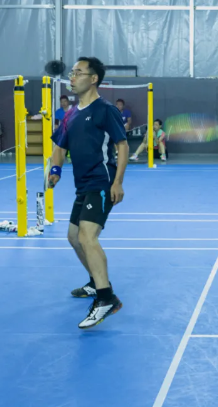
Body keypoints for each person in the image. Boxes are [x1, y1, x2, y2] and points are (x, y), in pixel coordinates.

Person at [48, 56, 129, 329]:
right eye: (71, 72)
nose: (72, 77)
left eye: (78, 73)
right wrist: (56, 170)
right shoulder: (70, 114)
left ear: (93, 79)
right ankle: (96, 282)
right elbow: (60, 147)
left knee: (87, 236)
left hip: (101, 181)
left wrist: (117, 182)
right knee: (74, 238)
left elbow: (122, 145)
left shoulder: (105, 110)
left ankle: (106, 298)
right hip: (82, 185)